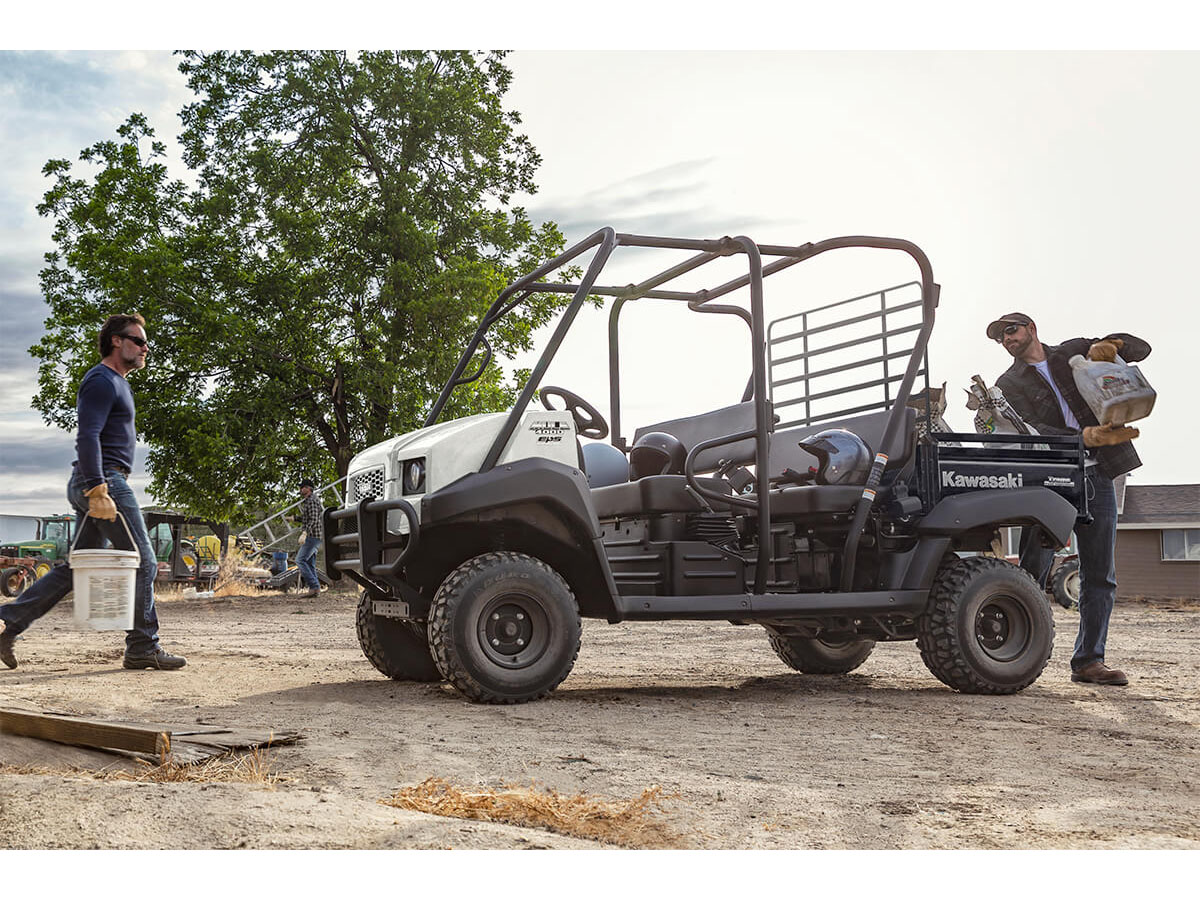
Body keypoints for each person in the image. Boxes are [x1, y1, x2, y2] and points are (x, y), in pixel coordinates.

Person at [0, 314, 185, 671]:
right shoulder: (101, 380)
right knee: (143, 561)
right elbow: (87, 435)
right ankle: (143, 646)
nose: (146, 348)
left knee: (78, 567)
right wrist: (98, 486)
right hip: (103, 481)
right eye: (139, 341)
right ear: (117, 341)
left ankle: (8, 622)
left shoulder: (117, 383)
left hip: (97, 480)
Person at [987, 312, 1150, 687]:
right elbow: (1029, 428)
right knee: (1032, 569)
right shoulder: (1007, 383)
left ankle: (1089, 662)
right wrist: (1082, 438)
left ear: (1031, 328)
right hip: (1053, 477)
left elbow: (1141, 351)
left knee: (1100, 575)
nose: (1007, 339)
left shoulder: (1073, 351)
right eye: (1000, 337)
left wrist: (1115, 344)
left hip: (1100, 473)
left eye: (1011, 330)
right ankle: (1012, 656)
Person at [295, 479, 324, 598]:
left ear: (308, 488)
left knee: (300, 560)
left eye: (302, 487)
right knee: (309, 563)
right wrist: (296, 519)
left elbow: (314, 519)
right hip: (315, 536)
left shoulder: (311, 501)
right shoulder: (310, 501)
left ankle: (314, 587)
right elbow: (309, 518)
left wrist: (305, 532)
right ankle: (315, 589)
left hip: (313, 536)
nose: (300, 489)